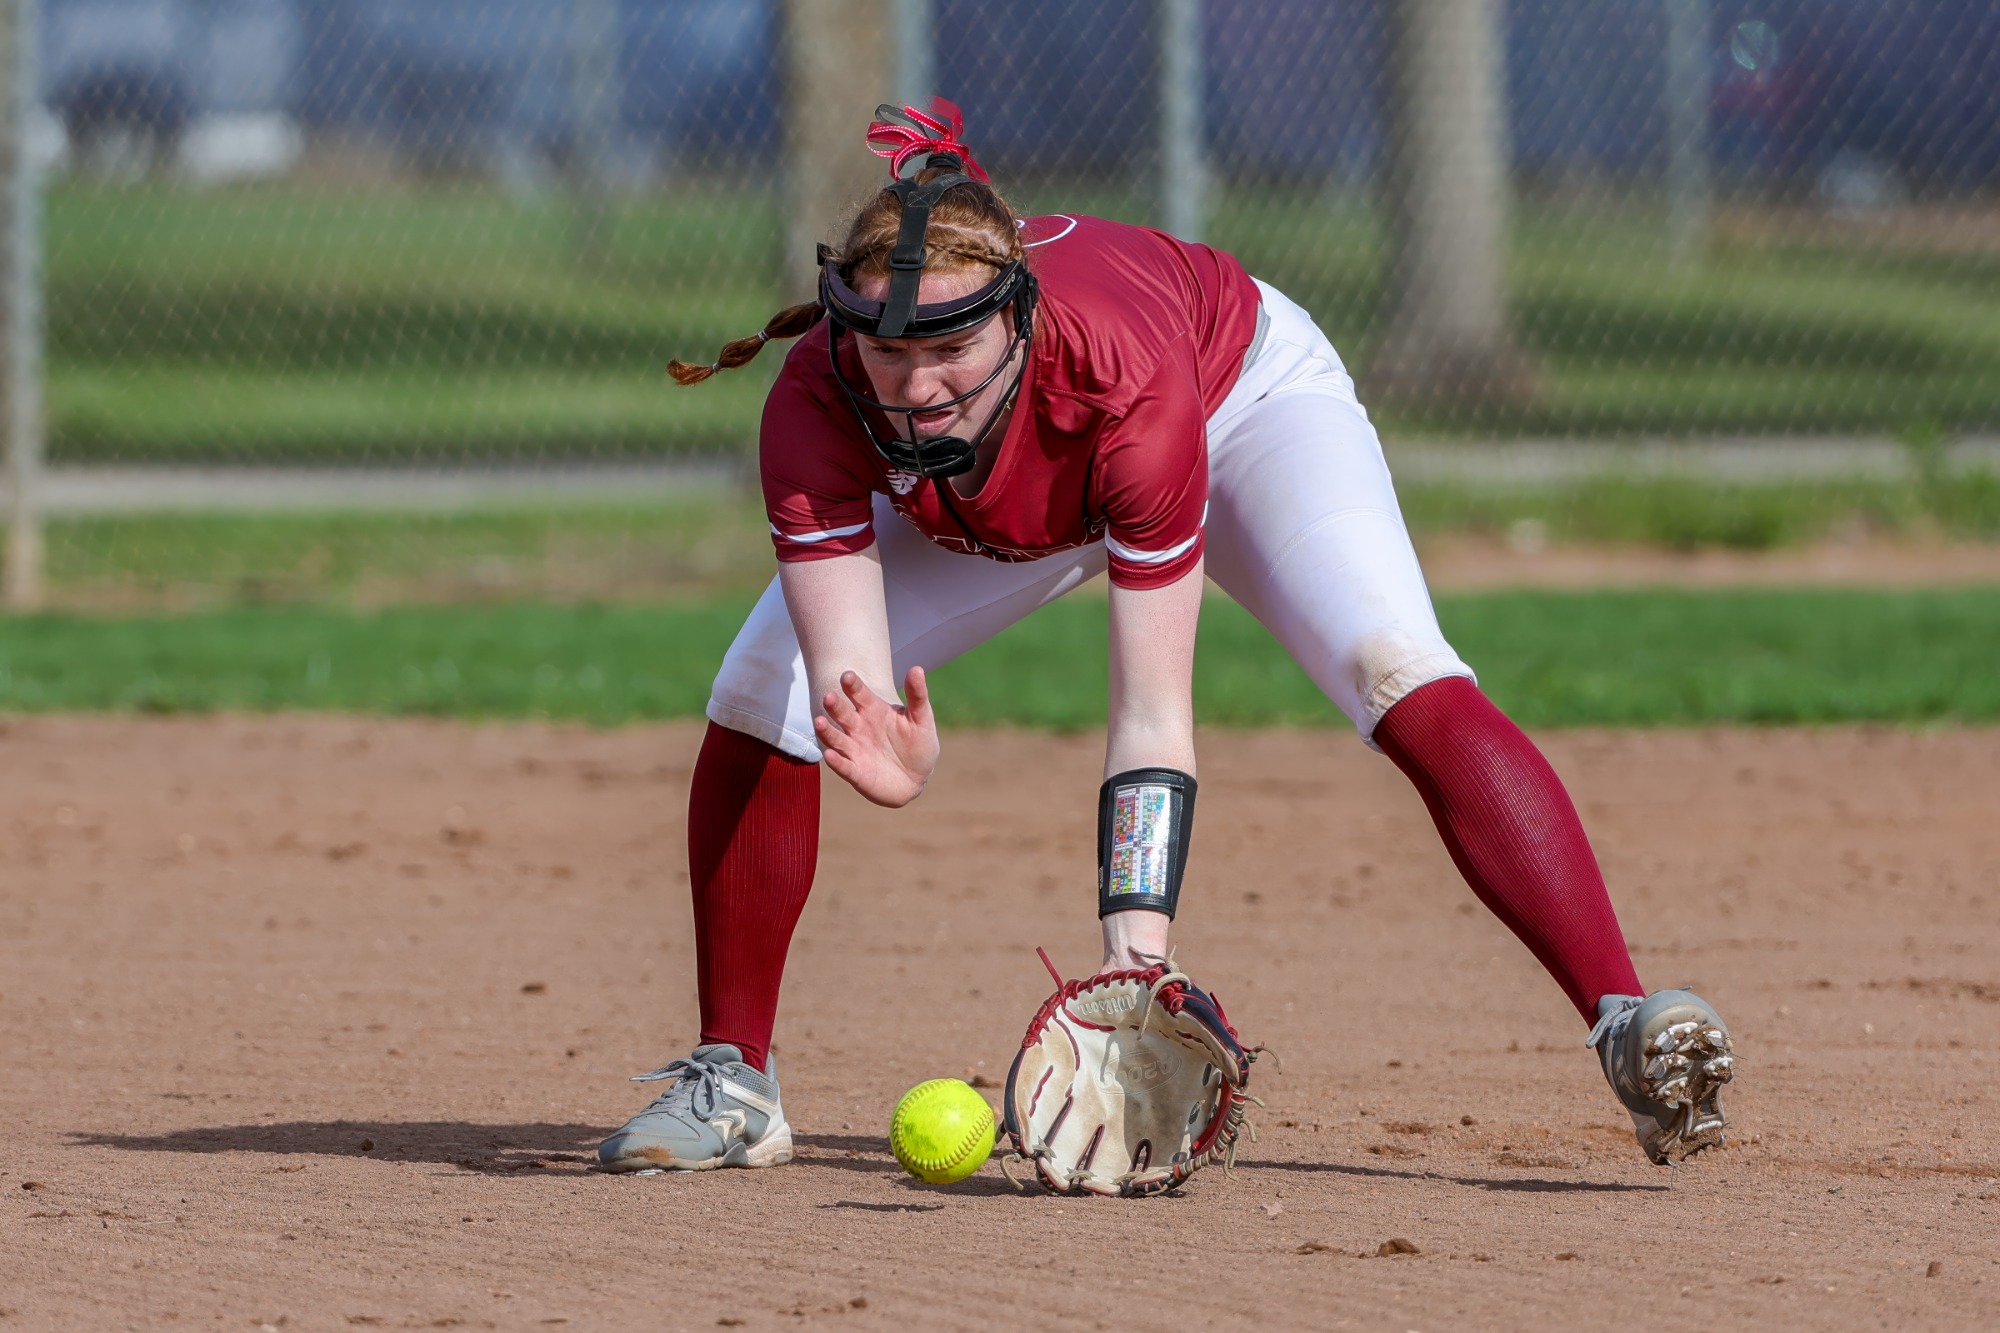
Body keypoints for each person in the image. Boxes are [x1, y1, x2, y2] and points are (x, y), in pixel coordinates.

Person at [595, 100, 1735, 1177]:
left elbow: (1150, 712)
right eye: (889, 352)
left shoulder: (1117, 379)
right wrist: (881, 736)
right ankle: (733, 1081)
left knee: (1389, 664)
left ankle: (1623, 1019)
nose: (917, 386)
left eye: (950, 346)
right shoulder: (816, 404)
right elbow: (844, 670)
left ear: (1017, 315)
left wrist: (1133, 954)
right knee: (763, 686)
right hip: (1027, 470)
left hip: (1229, 401)